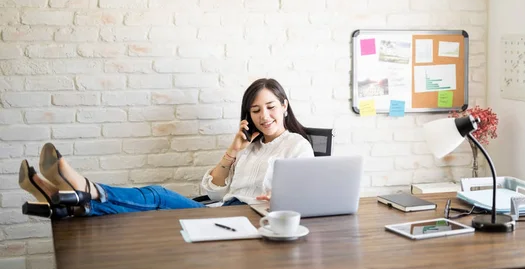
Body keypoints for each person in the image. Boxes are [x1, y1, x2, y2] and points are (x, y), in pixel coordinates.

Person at [19, 78, 314, 218]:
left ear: (285, 106)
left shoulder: (297, 147)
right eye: (255, 110)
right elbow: (213, 191)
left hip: (249, 219)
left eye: (271, 107)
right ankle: (65, 203)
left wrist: (280, 196)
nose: (264, 116)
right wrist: (234, 149)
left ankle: (84, 189)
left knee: (158, 196)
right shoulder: (249, 147)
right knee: (144, 210)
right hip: (225, 210)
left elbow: (303, 198)